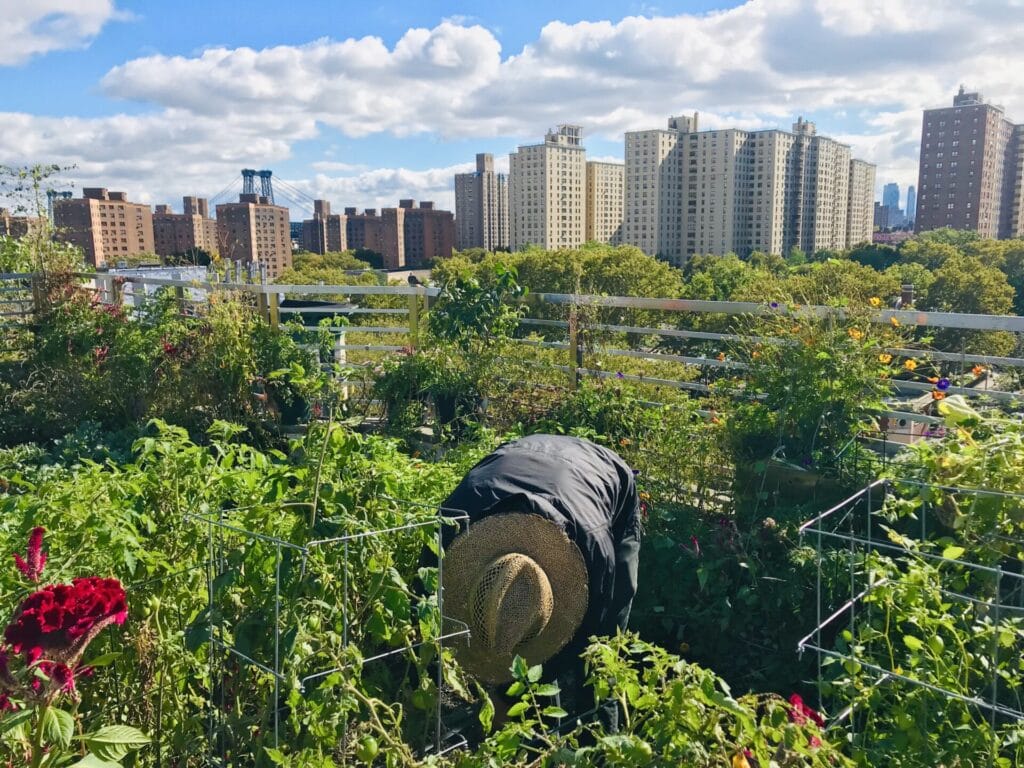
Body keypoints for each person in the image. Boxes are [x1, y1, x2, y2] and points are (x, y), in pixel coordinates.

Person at [437, 434, 641, 728]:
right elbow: (429, 604)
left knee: (601, 652)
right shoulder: (452, 525)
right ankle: (542, 728)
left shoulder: (594, 550)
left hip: (604, 477)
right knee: (520, 627)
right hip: (522, 458)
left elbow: (585, 632)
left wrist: (506, 699)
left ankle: (599, 739)